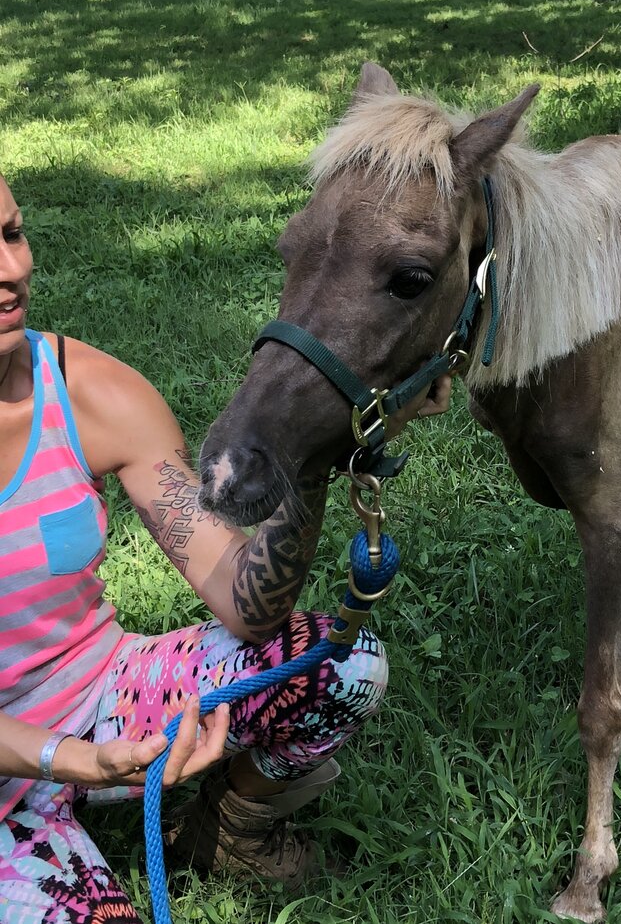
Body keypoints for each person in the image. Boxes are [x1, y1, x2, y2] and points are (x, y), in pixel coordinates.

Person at [0, 173, 451, 924]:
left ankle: (230, 830)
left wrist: (316, 456)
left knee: (341, 665)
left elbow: (246, 601)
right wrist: (65, 760)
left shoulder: (90, 394)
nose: (10, 271)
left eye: (11, 235)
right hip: (50, 754)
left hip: (94, 700)